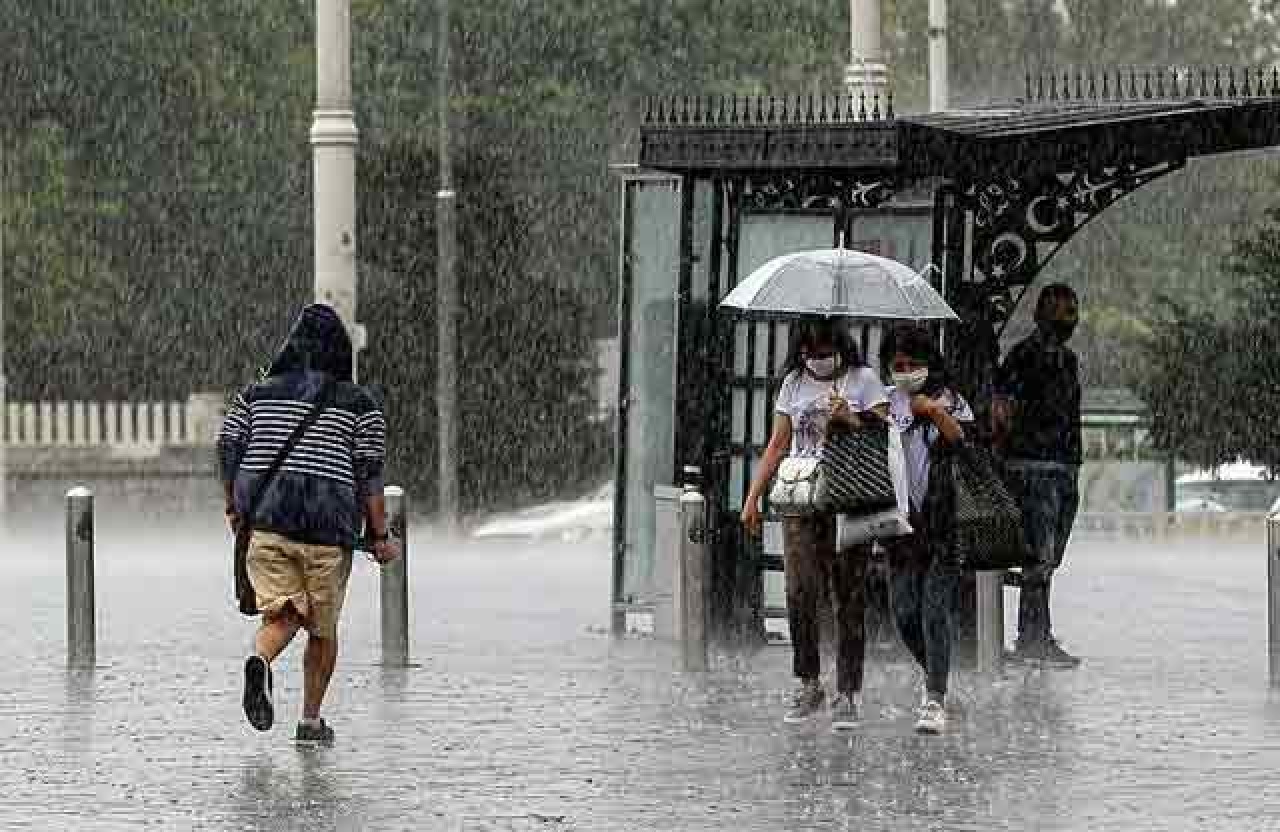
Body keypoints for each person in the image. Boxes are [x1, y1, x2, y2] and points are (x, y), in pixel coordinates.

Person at [217, 303, 399, 746]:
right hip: (327, 534)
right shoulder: (360, 405)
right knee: (321, 628)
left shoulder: (255, 395)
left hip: (268, 526)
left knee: (282, 613)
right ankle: (310, 722)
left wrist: (234, 506)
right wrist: (379, 537)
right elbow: (368, 474)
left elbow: (228, 448)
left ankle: (260, 659)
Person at [741, 319, 889, 729]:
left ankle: (847, 690)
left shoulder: (863, 380)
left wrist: (851, 417)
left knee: (848, 594)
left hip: (848, 496)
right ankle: (808, 680)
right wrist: (754, 495)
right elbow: (778, 443)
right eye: (809, 353)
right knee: (800, 589)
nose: (817, 361)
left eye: (824, 353)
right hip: (802, 498)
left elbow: (885, 435)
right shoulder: (792, 384)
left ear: (839, 346)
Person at [882, 326, 973, 735]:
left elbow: (967, 444)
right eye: (897, 366)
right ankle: (938, 675)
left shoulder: (951, 400)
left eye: (912, 365)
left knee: (935, 609)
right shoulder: (885, 402)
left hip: (944, 522)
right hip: (901, 527)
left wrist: (934, 412)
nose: (904, 373)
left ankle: (934, 697)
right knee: (904, 612)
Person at [993, 284, 1083, 668]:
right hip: (1031, 468)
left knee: (1051, 554)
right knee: (1038, 554)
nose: (1068, 319)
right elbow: (1003, 412)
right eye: (1060, 311)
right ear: (1040, 315)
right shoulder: (1022, 358)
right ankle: (1032, 635)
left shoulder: (1068, 361)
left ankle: (1036, 632)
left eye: (1072, 312)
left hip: (1063, 467)